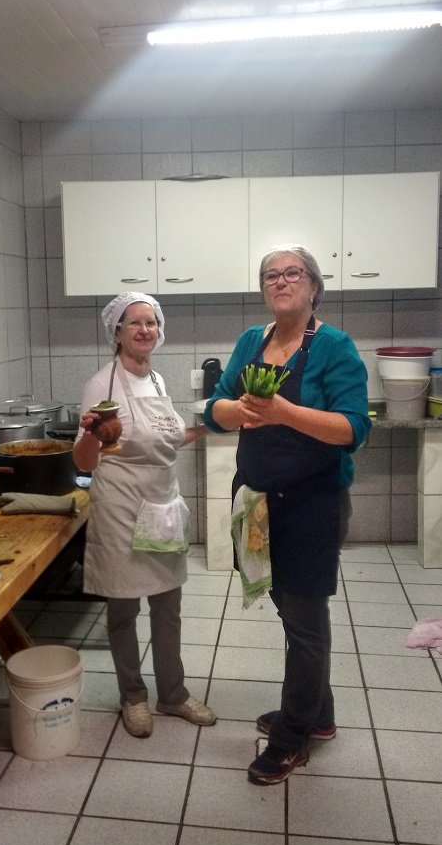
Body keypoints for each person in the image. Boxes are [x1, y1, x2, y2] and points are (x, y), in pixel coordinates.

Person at [203, 245, 371, 784]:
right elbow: (215, 410)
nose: (281, 281)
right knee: (291, 613)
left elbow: (353, 429)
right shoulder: (251, 342)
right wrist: (238, 410)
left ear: (314, 287)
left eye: (292, 273)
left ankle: (291, 737)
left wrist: (283, 412)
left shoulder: (335, 347)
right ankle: (317, 715)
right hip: (255, 504)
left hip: (311, 505)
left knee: (304, 621)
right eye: (271, 275)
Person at [73, 291, 217, 738]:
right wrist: (92, 435)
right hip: (120, 504)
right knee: (123, 607)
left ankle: (172, 694)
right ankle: (133, 697)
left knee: (168, 605)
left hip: (160, 501)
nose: (144, 330)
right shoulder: (102, 386)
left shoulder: (156, 381)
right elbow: (83, 462)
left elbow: (167, 439)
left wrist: (210, 427)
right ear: (116, 332)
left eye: (151, 322)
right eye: (134, 322)